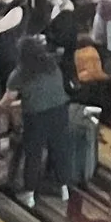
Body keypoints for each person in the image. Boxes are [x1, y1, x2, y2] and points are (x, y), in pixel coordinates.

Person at [12, 28, 68, 201]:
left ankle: (29, 195)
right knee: (59, 150)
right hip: (60, 111)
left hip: (36, 118)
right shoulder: (52, 65)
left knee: (33, 154)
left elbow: (8, 100)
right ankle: (63, 188)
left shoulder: (20, 74)